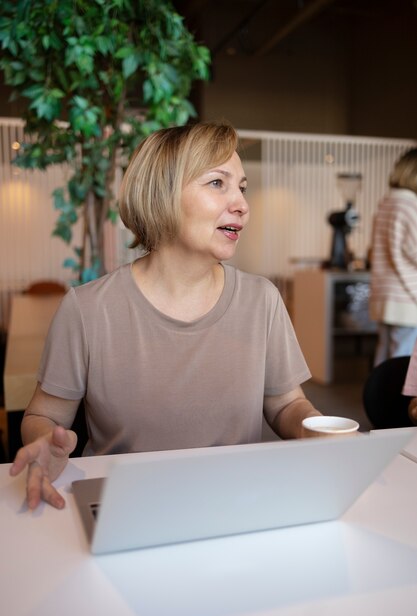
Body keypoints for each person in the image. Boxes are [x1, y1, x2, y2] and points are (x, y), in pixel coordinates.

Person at [10, 120, 321, 511]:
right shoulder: (87, 309)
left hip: (234, 501)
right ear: (162, 194)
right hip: (125, 506)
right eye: (217, 183)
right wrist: (41, 440)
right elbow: (43, 414)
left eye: (242, 187)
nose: (242, 203)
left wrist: (318, 432)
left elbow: (286, 404)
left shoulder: (262, 300)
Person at [369, 148, 417, 367]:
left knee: (384, 360)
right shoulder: (409, 205)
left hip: (384, 295)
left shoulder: (386, 203)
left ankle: (378, 401)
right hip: (406, 298)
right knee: (402, 364)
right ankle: (395, 403)